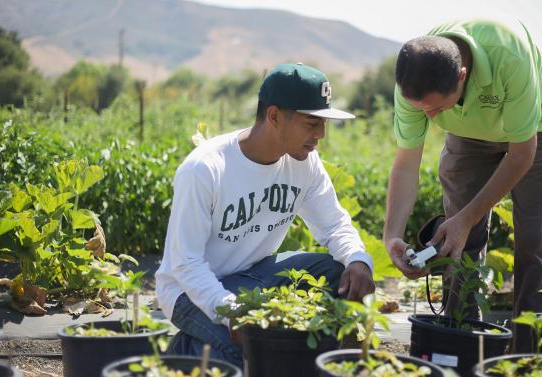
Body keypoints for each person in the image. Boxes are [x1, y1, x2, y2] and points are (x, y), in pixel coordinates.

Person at [155, 63, 376, 367]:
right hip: (187, 291)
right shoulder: (205, 169)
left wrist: (357, 258)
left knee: (340, 271)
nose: (321, 135)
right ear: (274, 116)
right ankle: (188, 352)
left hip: (255, 276)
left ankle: (199, 342)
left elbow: (334, 224)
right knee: (253, 353)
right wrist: (231, 312)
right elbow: (186, 264)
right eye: (312, 122)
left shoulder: (304, 163)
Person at [382, 20, 542, 352]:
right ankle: (460, 345)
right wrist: (391, 234)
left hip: (538, 127)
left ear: (462, 76)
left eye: (437, 108)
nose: (431, 116)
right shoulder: (412, 82)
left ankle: (530, 355)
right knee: (455, 243)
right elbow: (406, 164)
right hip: (469, 133)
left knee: (533, 241)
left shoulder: (509, 55)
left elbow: (522, 154)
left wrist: (467, 218)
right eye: (422, 110)